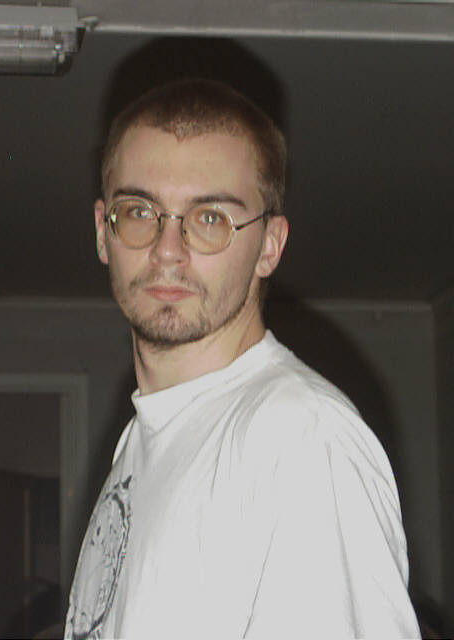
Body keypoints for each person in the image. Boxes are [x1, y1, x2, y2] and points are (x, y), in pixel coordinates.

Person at [65, 78, 420, 639]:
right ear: (102, 232)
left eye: (210, 218)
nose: (167, 250)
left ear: (269, 246)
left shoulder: (300, 437)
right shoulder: (140, 443)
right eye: (139, 211)